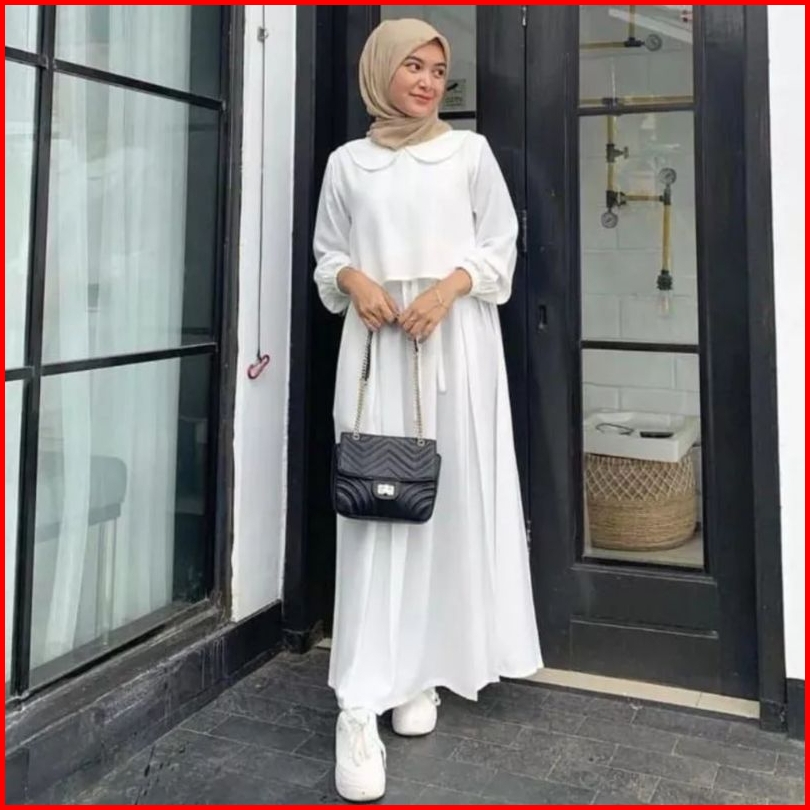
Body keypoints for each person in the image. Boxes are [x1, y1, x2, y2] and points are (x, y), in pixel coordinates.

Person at [313, 17, 542, 802]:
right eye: (412, 65)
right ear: (380, 71)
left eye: (438, 70)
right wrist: (356, 281)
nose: (427, 81)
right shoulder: (347, 164)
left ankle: (419, 671)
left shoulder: (469, 153)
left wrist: (444, 291)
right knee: (375, 513)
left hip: (457, 346)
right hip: (377, 352)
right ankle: (357, 703)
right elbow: (329, 254)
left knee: (444, 508)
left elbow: (499, 245)